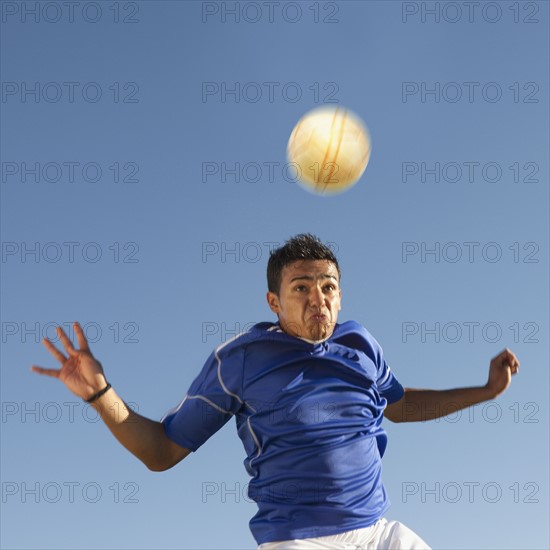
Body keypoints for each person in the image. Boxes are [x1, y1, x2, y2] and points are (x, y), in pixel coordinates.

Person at [32, 234, 520, 549]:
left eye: (328, 287)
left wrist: (486, 390)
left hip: (378, 533)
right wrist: (100, 393)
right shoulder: (241, 359)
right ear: (274, 301)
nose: (318, 300)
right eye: (301, 288)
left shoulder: (360, 344)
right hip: (298, 540)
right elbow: (161, 451)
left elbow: (404, 406)